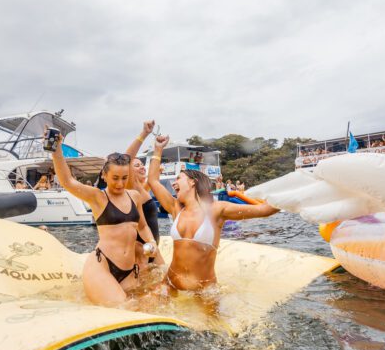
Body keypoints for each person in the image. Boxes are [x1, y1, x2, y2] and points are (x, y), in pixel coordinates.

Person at [148, 135, 279, 291]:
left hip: (204, 291)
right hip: (170, 285)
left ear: (192, 182)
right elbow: (153, 181)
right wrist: (158, 149)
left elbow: (264, 210)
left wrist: (298, 195)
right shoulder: (176, 209)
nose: (174, 183)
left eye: (179, 178)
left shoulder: (217, 210)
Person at [49, 131, 157, 306]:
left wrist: (152, 242)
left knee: (149, 305)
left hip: (129, 270)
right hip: (103, 266)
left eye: (124, 178)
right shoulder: (98, 198)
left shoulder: (134, 196)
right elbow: (68, 181)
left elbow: (143, 227)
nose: (120, 184)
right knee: (126, 309)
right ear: (104, 175)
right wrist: (56, 150)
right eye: (115, 178)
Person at [124, 120, 164, 267]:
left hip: (152, 247)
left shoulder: (141, 189)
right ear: (128, 170)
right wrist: (144, 133)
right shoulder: (130, 185)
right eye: (136, 165)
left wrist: (158, 150)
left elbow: (154, 181)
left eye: (142, 164)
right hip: (142, 249)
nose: (141, 167)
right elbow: (126, 158)